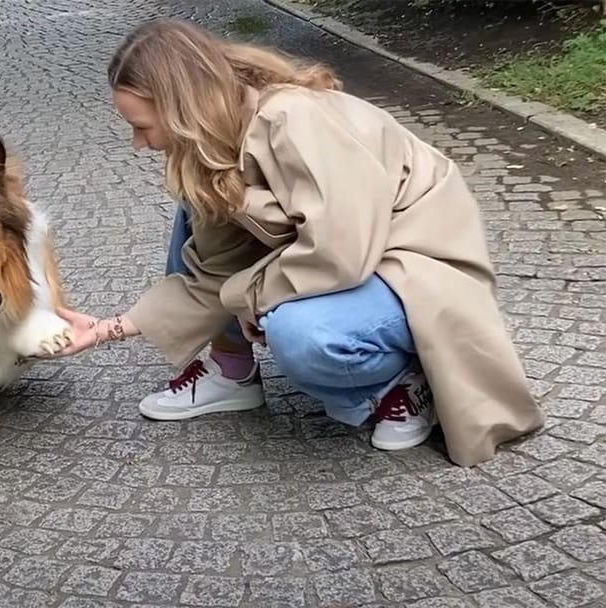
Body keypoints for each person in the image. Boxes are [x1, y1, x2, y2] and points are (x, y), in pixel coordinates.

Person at [46, 18, 545, 466]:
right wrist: (107, 329)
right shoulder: (211, 148)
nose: (139, 144)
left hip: (415, 264)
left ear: (180, 108)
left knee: (301, 334)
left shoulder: (293, 118)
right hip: (355, 259)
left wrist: (252, 296)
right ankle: (231, 369)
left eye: (141, 127)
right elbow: (212, 272)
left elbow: (340, 252)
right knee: (195, 208)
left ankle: (403, 381)